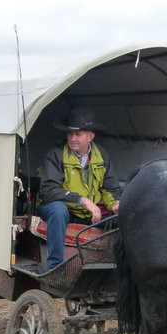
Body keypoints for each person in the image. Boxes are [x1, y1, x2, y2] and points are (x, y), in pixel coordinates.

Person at [37, 108, 121, 269]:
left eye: (78, 134)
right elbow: (48, 190)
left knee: (124, 217)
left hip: (85, 214)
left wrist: (115, 204)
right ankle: (55, 265)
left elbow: (110, 189)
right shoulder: (55, 154)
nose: (72, 138)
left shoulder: (102, 156)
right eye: (70, 134)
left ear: (90, 136)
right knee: (58, 209)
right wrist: (82, 200)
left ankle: (117, 265)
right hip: (56, 208)